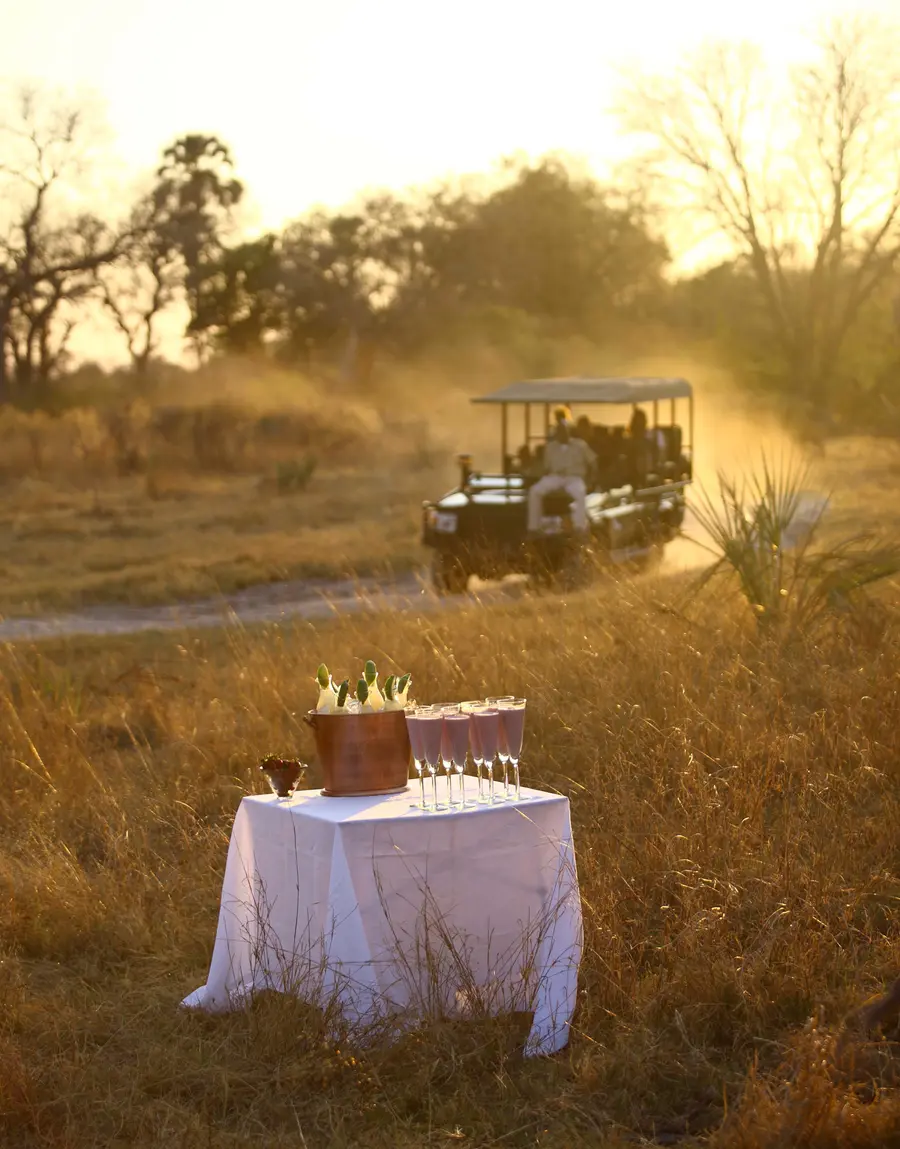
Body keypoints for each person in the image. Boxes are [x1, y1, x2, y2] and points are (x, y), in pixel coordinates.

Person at [527, 407, 596, 534]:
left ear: (568, 432)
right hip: (555, 477)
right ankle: (534, 527)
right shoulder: (550, 448)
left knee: (580, 493)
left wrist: (591, 479)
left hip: (574, 477)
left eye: (564, 431)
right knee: (534, 491)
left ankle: (579, 527)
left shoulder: (580, 445)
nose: (562, 434)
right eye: (559, 431)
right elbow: (546, 468)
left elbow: (593, 462)